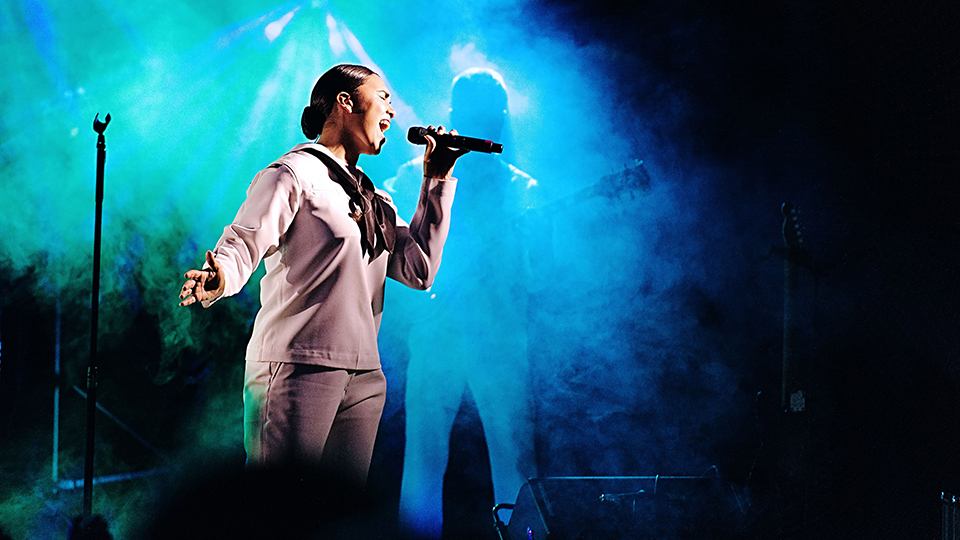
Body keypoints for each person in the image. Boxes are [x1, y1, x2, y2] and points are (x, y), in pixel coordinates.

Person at [178, 64, 468, 489]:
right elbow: (245, 238)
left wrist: (437, 178)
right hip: (298, 364)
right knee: (276, 512)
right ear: (345, 102)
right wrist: (219, 274)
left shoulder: (377, 200)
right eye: (382, 96)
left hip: (364, 375)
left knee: (335, 522)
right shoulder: (293, 173)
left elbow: (419, 268)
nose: (392, 109)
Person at [384, 68, 539, 538]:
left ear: (503, 117)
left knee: (513, 459)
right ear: (453, 114)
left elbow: (537, 277)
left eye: (488, 113)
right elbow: (388, 250)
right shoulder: (413, 176)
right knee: (425, 456)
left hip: (500, 337)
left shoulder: (523, 188)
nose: (482, 123)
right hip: (436, 331)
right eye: (471, 112)